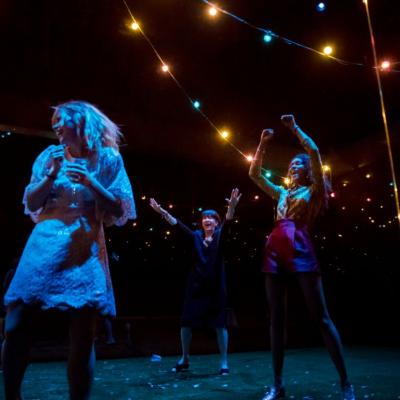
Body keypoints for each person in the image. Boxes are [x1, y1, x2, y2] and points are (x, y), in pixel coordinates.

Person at [2, 100, 136, 400]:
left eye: (61, 120)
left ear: (81, 122)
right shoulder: (47, 156)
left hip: (84, 246)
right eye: (54, 124)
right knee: (17, 321)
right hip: (45, 242)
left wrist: (91, 182)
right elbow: (32, 204)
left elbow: (117, 210)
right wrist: (51, 174)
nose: (57, 127)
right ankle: (11, 396)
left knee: (83, 332)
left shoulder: (109, 159)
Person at [249, 115, 355, 400]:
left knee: (320, 316)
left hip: (300, 245)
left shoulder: (315, 190)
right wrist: (262, 144)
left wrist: (295, 129)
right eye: (291, 164)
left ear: (308, 171)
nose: (294, 166)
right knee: (276, 320)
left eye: (299, 164)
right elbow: (254, 175)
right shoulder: (281, 192)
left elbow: (315, 153)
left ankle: (345, 381)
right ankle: (278, 384)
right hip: (274, 248)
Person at [149, 188, 241, 375]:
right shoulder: (196, 237)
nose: (207, 220)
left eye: (211, 218)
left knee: (220, 324)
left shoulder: (220, 237)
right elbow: (178, 225)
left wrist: (231, 207)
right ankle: (185, 359)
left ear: (217, 222)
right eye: (204, 218)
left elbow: (229, 222)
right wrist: (162, 212)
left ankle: (224, 362)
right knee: (186, 323)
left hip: (216, 288)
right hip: (196, 287)